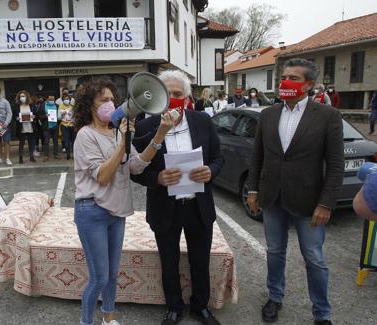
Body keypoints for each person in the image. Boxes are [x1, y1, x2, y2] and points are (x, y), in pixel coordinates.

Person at [247, 58, 344, 325]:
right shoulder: (268, 114)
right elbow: (257, 158)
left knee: (314, 258)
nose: (285, 82)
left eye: (293, 78)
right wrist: (253, 191)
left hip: (309, 202)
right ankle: (275, 297)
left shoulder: (328, 116)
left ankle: (322, 313)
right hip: (272, 197)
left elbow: (336, 165)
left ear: (309, 85)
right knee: (275, 252)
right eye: (284, 77)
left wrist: (326, 204)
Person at [73, 77, 174, 325]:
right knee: (99, 277)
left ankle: (109, 318)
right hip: (92, 211)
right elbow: (104, 176)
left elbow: (137, 166)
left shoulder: (117, 133)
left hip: (116, 212)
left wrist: (160, 134)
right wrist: (122, 143)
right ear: (90, 106)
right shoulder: (85, 136)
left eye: (112, 99)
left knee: (111, 274)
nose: (110, 104)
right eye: (103, 100)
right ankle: (86, 322)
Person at [131, 70, 225, 325]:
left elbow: (218, 158)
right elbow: (135, 171)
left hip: (198, 205)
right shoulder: (146, 126)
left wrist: (210, 171)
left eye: (177, 94)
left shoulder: (202, 121)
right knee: (169, 260)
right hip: (165, 206)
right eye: (168, 94)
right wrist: (157, 178)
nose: (173, 98)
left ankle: (200, 306)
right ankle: (174, 306)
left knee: (200, 259)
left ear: (186, 97)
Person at [13, 90, 36, 164]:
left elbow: (36, 114)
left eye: (23, 96)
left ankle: (31, 157)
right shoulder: (17, 106)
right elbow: (13, 116)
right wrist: (16, 118)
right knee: (21, 143)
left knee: (31, 142)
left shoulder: (31, 106)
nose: (22, 98)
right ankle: (20, 158)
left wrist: (34, 116)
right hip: (21, 127)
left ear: (27, 97)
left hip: (30, 127)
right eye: (20, 96)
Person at [38, 95, 60, 161]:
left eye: (53, 100)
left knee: (55, 141)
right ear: (47, 99)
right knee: (46, 141)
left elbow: (59, 116)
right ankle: (46, 155)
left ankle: (56, 154)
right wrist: (45, 116)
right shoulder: (42, 106)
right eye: (50, 100)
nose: (52, 101)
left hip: (55, 126)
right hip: (46, 126)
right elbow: (39, 116)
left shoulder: (56, 106)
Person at [59, 95, 75, 160]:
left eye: (68, 99)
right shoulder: (61, 107)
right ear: (63, 100)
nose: (67, 100)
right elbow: (59, 117)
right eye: (65, 99)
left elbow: (75, 116)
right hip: (64, 126)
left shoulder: (72, 107)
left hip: (72, 125)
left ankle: (74, 154)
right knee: (66, 141)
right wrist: (64, 112)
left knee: (73, 141)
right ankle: (68, 154)